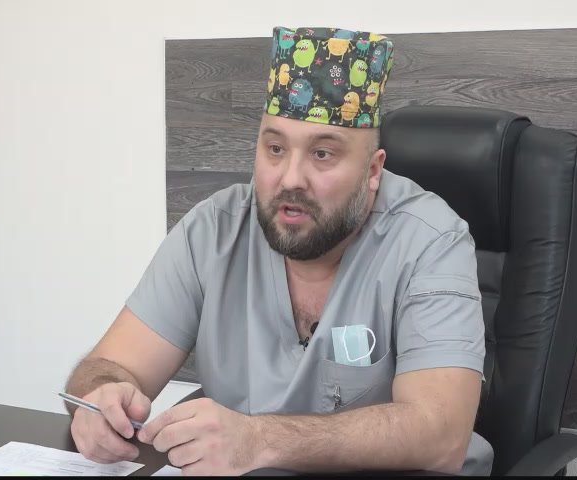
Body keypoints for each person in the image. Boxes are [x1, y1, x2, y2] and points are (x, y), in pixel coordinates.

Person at [64, 26, 493, 476]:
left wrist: (258, 439)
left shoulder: (430, 240)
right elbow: (108, 366)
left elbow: (441, 434)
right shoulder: (214, 230)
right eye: (274, 148)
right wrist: (100, 399)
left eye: (322, 154)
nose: (290, 179)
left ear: (372, 171)